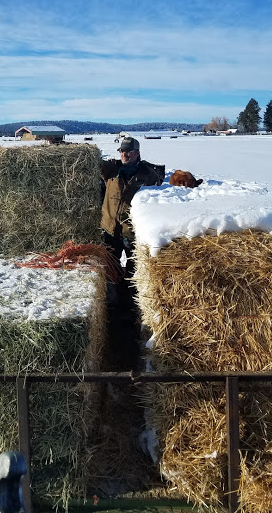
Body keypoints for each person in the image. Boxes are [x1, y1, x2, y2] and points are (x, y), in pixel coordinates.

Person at [100, 136, 163, 368]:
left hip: (132, 232)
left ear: (137, 152)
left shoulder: (149, 175)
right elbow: (90, 163)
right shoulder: (110, 170)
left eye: (129, 151)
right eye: (122, 151)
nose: (125, 155)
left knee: (135, 270)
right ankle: (114, 306)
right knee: (111, 267)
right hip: (110, 229)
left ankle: (134, 309)